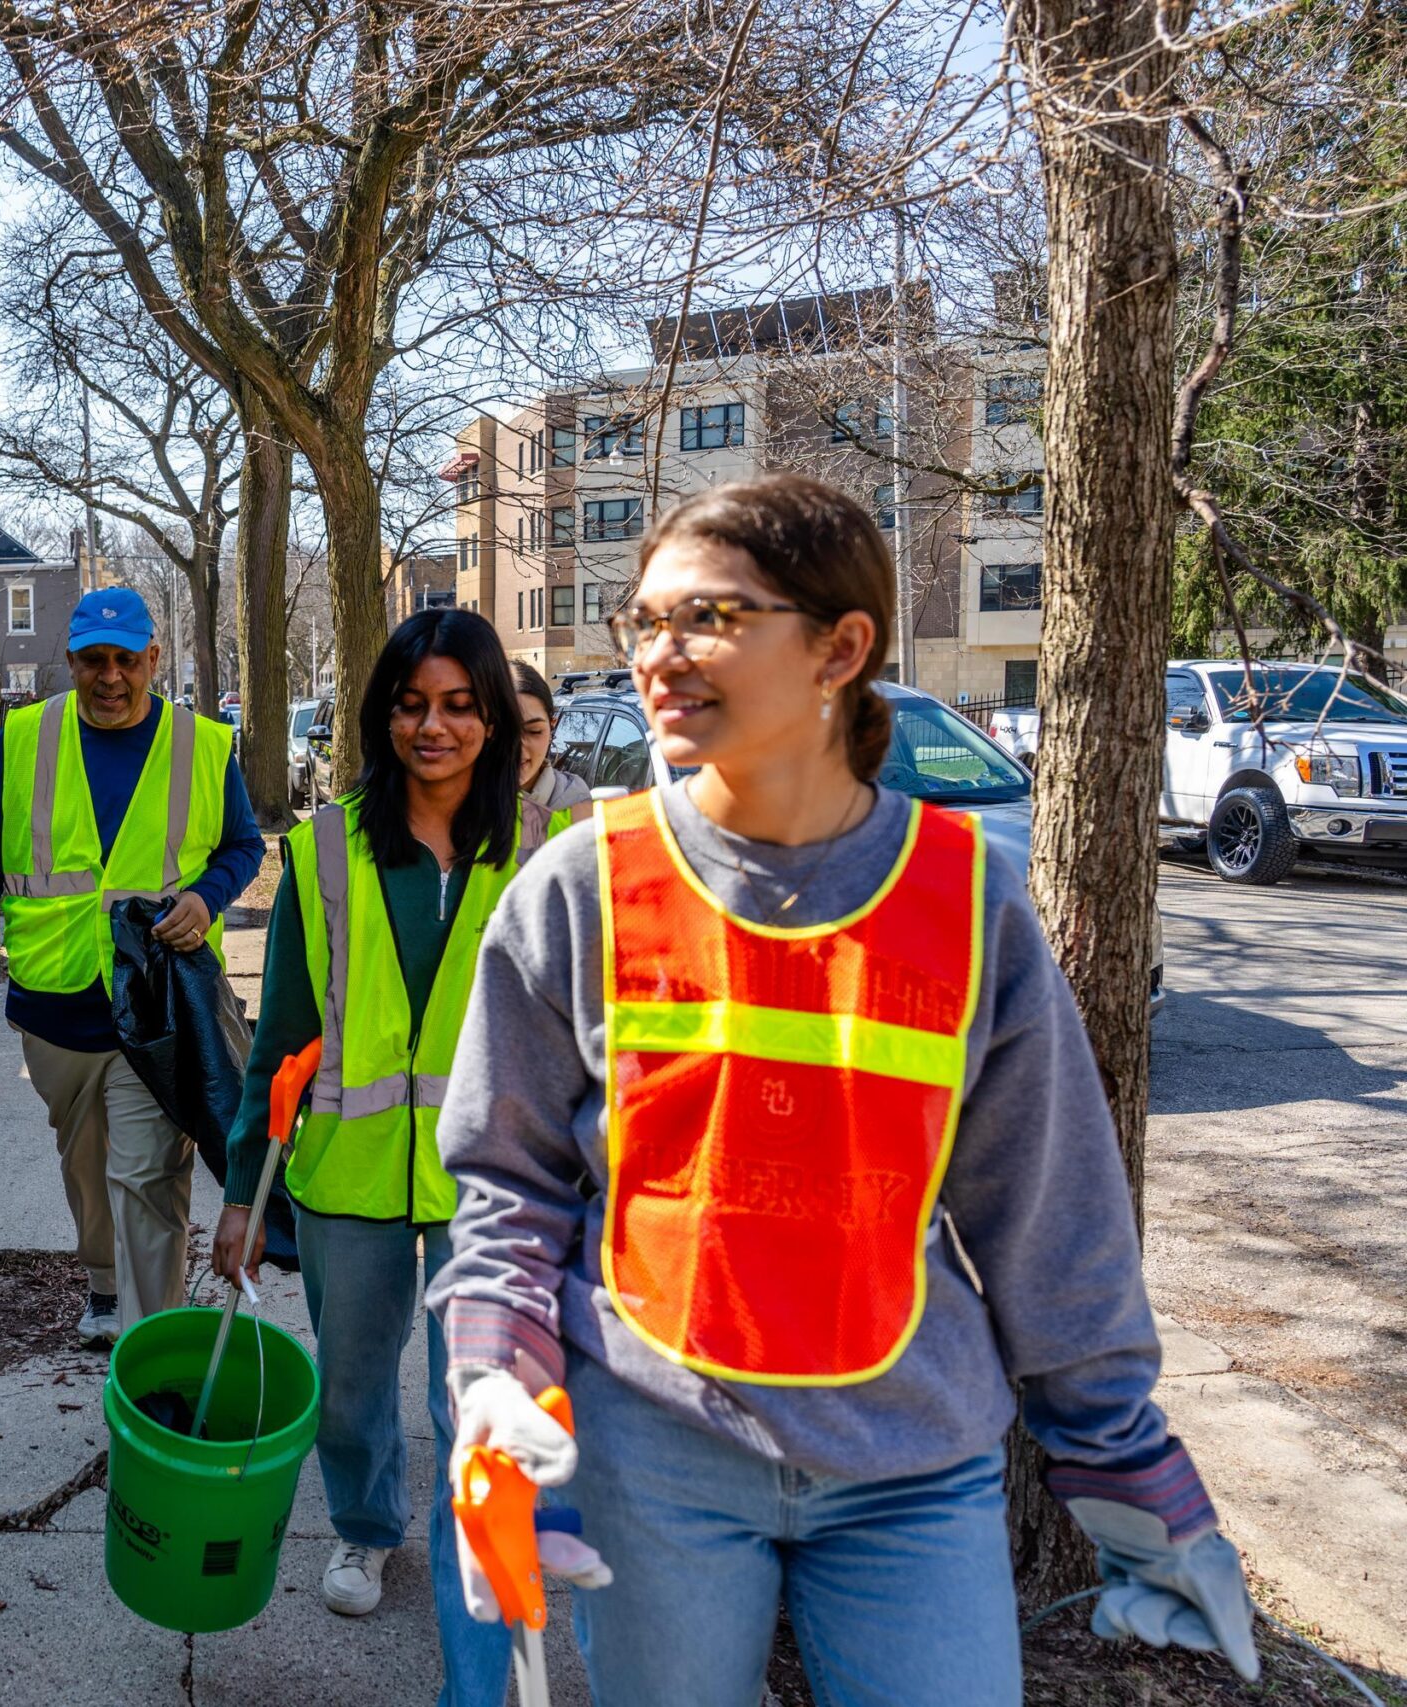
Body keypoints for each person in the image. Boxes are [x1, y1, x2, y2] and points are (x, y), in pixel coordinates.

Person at [429, 475, 1256, 1706]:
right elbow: (507, 1183)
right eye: (642, 623)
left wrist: (1129, 1468)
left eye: (706, 617)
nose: (660, 654)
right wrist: (494, 1372)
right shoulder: (579, 890)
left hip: (911, 1465)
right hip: (656, 1450)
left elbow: (1049, 1217)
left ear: (841, 648)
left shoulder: (966, 908)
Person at [213, 609, 562, 1706]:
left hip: (493, 1184)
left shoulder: (547, 849)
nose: (435, 726)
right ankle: (365, 1529)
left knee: (475, 1392)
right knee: (355, 1384)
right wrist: (237, 1192)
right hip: (350, 1174)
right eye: (413, 704)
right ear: (382, 715)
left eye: (461, 705)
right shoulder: (323, 846)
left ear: (496, 719)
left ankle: (482, 1549)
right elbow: (276, 1039)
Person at [0, 586, 265, 1340]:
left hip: (156, 1000)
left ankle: (150, 1344)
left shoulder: (201, 744)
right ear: (71, 661)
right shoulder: (21, 740)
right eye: (92, 661)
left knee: (147, 1174)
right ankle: (106, 1282)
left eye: (125, 660)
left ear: (153, 657)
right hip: (54, 999)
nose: (109, 677)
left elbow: (243, 843)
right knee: (86, 1166)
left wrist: (208, 898)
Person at [511, 660, 593, 815]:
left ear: (552, 726)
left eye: (534, 731)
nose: (518, 748)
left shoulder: (574, 801)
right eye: (504, 732)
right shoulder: (460, 801)